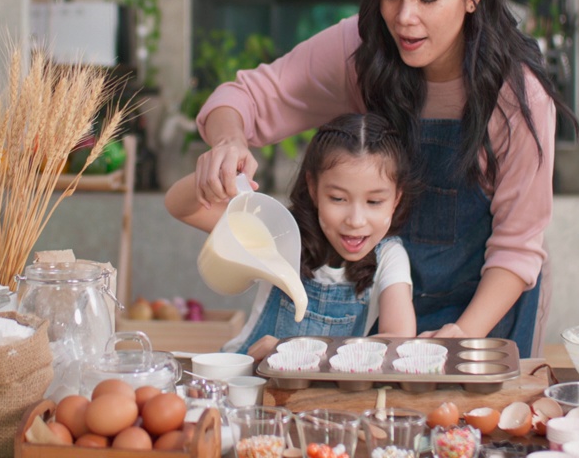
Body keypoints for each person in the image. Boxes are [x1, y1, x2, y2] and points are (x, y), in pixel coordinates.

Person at [191, 0, 579, 357]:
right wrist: (230, 138)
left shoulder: (519, 97)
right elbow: (242, 98)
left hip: (487, 311)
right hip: (387, 308)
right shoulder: (360, 50)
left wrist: (460, 334)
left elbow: (516, 249)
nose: (403, 18)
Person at [166, 112, 417, 357]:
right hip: (244, 377)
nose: (355, 220)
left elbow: (398, 341)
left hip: (313, 396)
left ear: (396, 198)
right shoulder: (278, 233)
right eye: (338, 198)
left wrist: (292, 351)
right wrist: (217, 170)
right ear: (313, 187)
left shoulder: (388, 257)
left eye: (374, 201)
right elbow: (180, 207)